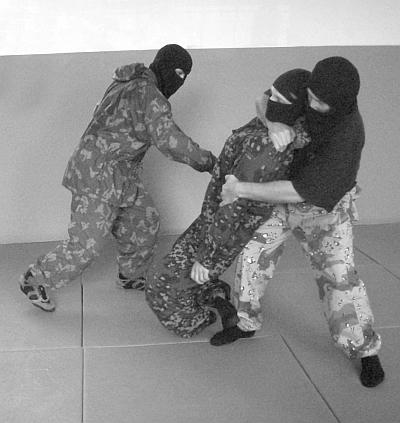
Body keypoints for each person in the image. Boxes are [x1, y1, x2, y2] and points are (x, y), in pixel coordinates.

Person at [212, 57, 385, 388]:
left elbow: (300, 191)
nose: (313, 105)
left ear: (340, 104)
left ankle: (364, 349)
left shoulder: (348, 135)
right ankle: (245, 322)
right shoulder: (304, 84)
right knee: (251, 255)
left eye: (321, 103)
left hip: (323, 208)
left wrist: (240, 189)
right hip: (279, 198)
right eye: (311, 97)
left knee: (340, 279)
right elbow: (263, 98)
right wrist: (272, 123)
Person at [19, 44, 216, 312]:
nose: (180, 80)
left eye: (185, 75)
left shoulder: (127, 82)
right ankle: (35, 278)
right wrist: (210, 163)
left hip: (120, 172)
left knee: (144, 222)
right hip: (98, 174)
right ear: (164, 66)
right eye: (178, 72)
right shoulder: (150, 95)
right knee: (86, 245)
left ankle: (130, 275)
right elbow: (172, 141)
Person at [145, 69, 311, 338]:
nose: (271, 101)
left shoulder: (271, 148)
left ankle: (198, 320)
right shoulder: (274, 123)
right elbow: (262, 99)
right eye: (272, 94)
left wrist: (206, 259)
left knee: (160, 285)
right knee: (175, 271)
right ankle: (216, 295)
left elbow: (235, 206)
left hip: (225, 229)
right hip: (214, 218)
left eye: (280, 99)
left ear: (298, 107)